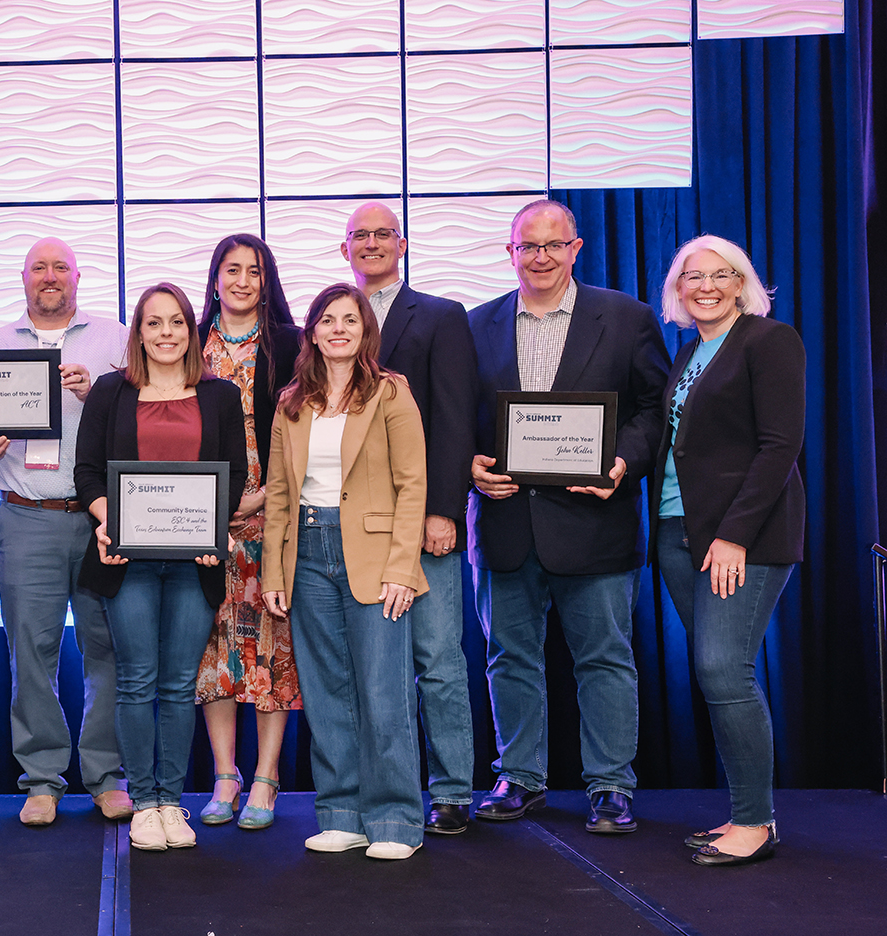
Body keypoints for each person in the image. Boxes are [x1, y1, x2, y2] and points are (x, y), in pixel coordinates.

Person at [468, 199, 668, 834]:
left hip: (595, 520)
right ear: (510, 254)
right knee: (509, 657)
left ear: (576, 249)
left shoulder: (627, 318)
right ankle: (520, 778)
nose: (542, 257)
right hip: (505, 523)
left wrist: (621, 462)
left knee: (605, 657)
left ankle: (611, 787)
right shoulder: (476, 327)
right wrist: (466, 470)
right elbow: (454, 422)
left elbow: (654, 409)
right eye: (529, 247)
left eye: (555, 245)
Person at [261, 283, 429, 861]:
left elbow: (414, 486)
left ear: (365, 332)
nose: (338, 329)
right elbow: (280, 496)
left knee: (383, 693)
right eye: (327, 320)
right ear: (311, 331)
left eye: (349, 321)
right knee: (327, 694)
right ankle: (341, 813)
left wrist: (404, 567)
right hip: (307, 553)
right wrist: (273, 573)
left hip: (375, 555)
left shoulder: (390, 393)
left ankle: (396, 820)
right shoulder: (291, 403)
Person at [650, 236, 804, 867]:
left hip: (740, 538)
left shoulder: (770, 341)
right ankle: (747, 811)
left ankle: (755, 823)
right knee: (719, 673)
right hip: (677, 532)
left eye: (722, 275)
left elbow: (779, 447)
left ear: (744, 283)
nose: (706, 286)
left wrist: (734, 534)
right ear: (678, 289)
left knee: (723, 670)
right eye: (693, 276)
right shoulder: (690, 350)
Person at [76, 283, 247, 850]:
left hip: (193, 561)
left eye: (177, 322)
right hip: (127, 561)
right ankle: (144, 800)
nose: (167, 333)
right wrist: (108, 523)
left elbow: (235, 475)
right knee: (135, 683)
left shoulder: (218, 395)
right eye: (154, 323)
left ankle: (173, 802)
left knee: (177, 686)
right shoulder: (110, 392)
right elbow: (89, 473)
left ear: (191, 331)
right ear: (139, 332)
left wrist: (214, 528)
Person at [0, 237, 133, 826]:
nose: (49, 276)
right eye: (38, 267)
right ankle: (41, 778)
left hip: (101, 522)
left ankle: (107, 775)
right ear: (23, 278)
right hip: (25, 516)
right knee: (30, 654)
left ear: (77, 277)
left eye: (59, 267)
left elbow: (142, 422)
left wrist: (97, 395)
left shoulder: (116, 339)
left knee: (107, 650)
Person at [342, 203, 479, 834]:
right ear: (345, 248)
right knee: (373, 667)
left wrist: (445, 509)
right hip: (354, 524)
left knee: (437, 656)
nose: (371, 243)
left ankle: (451, 789)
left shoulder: (442, 316)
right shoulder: (330, 321)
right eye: (359, 235)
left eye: (381, 234)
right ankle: (383, 791)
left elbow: (454, 418)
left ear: (402, 243)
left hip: (421, 517)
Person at [191, 234, 302, 830]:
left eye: (254, 272)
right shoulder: (189, 346)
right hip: (201, 528)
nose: (241, 281)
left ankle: (266, 776)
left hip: (273, 518)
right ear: (214, 279)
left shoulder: (291, 344)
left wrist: (265, 495)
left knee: (272, 651)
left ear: (267, 280)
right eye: (231, 270)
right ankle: (225, 776)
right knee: (216, 654)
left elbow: (309, 431)